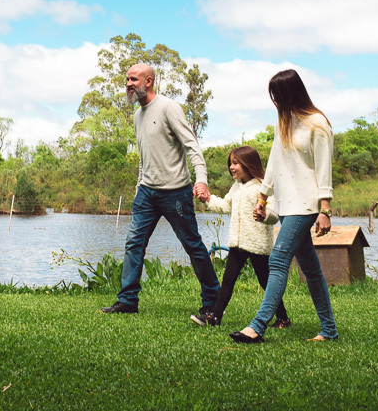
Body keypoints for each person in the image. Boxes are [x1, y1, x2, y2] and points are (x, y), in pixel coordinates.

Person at [100, 63, 220, 319]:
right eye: (127, 79)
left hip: (176, 192)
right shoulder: (137, 115)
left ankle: (212, 299)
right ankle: (127, 300)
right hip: (146, 193)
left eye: (134, 79)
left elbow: (192, 146)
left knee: (193, 246)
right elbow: (144, 158)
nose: (129, 84)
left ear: (149, 81)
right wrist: (138, 187)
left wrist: (201, 180)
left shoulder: (168, 108)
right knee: (134, 243)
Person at [230, 69, 338, 343]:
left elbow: (324, 170)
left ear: (292, 93)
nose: (276, 101)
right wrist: (263, 197)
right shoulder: (284, 122)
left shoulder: (317, 124)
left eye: (279, 96)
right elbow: (275, 163)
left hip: (307, 205)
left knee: (278, 260)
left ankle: (257, 327)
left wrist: (325, 209)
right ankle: (329, 330)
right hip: (287, 205)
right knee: (311, 270)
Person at [194, 145, 290, 328]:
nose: (231, 167)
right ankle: (215, 316)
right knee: (228, 280)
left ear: (248, 164)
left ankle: (283, 318)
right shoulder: (237, 187)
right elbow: (224, 205)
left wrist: (264, 215)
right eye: (231, 163)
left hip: (257, 244)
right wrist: (207, 199)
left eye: (236, 163)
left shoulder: (263, 186)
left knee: (265, 281)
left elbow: (274, 214)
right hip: (238, 243)